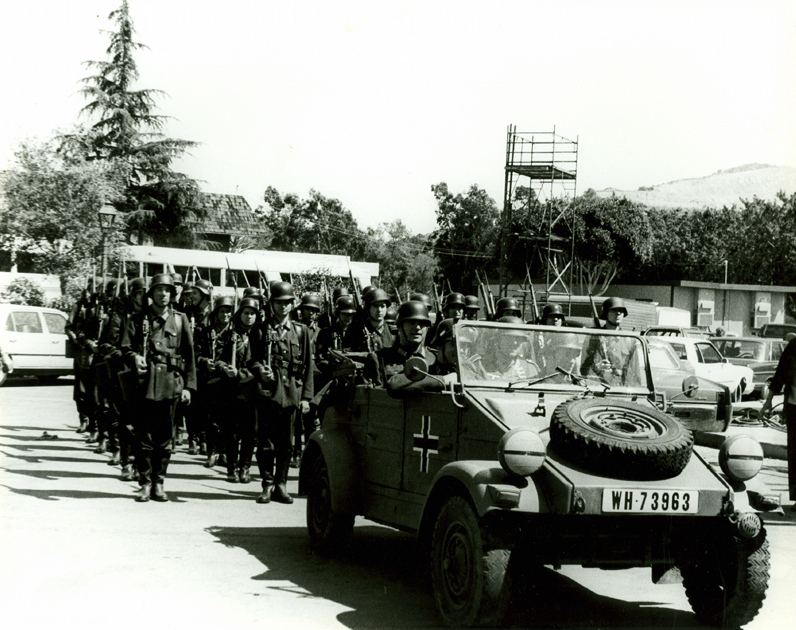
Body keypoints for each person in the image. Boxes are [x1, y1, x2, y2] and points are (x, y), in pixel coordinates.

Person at [121, 274, 196, 502]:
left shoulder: (181, 320)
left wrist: (189, 387)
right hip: (143, 384)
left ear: (172, 295)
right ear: (151, 294)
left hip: (171, 384)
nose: (163, 294)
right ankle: (144, 483)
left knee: (165, 439)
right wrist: (134, 357)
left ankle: (159, 481)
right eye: (158, 290)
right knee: (143, 436)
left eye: (167, 290)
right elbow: (124, 347)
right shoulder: (137, 319)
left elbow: (190, 356)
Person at [250, 282, 314, 504]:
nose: (284, 307)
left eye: (288, 302)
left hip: (291, 394)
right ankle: (267, 484)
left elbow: (308, 366)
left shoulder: (301, 331)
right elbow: (252, 361)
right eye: (279, 302)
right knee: (266, 442)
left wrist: (306, 397)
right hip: (268, 392)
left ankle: (281, 484)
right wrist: (260, 371)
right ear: (271, 304)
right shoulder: (260, 329)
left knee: (286, 444)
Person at [215, 297, 259, 484]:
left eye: (252, 313)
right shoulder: (229, 335)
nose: (249, 317)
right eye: (246, 313)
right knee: (231, 431)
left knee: (250, 432)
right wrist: (225, 367)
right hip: (231, 390)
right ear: (239, 314)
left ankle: (245, 468)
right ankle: (231, 467)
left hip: (253, 390)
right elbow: (217, 358)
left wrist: (244, 373)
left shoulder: (261, 336)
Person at [759, 335, 796, 510]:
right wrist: (768, 401)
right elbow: (780, 374)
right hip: (794, 407)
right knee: (795, 453)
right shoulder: (793, 346)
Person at [371, 300, 439, 392]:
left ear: (427, 328)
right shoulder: (379, 359)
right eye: (411, 322)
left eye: (422, 323)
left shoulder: (435, 359)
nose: (417, 327)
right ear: (399, 327)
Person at [580, 297, 639, 386]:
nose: (618, 313)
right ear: (606, 313)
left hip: (620, 389)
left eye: (621, 311)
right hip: (598, 387)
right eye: (614, 310)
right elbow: (584, 369)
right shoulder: (594, 337)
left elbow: (634, 372)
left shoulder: (629, 340)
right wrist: (598, 366)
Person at [480, 316, 538, 381]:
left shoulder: (530, 368)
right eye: (509, 338)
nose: (515, 342)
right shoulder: (481, 366)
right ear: (498, 340)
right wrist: (502, 380)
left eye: (518, 338)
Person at [344, 287, 394, 353]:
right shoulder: (355, 331)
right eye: (375, 306)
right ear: (368, 308)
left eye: (382, 306)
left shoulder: (393, 332)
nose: (379, 310)